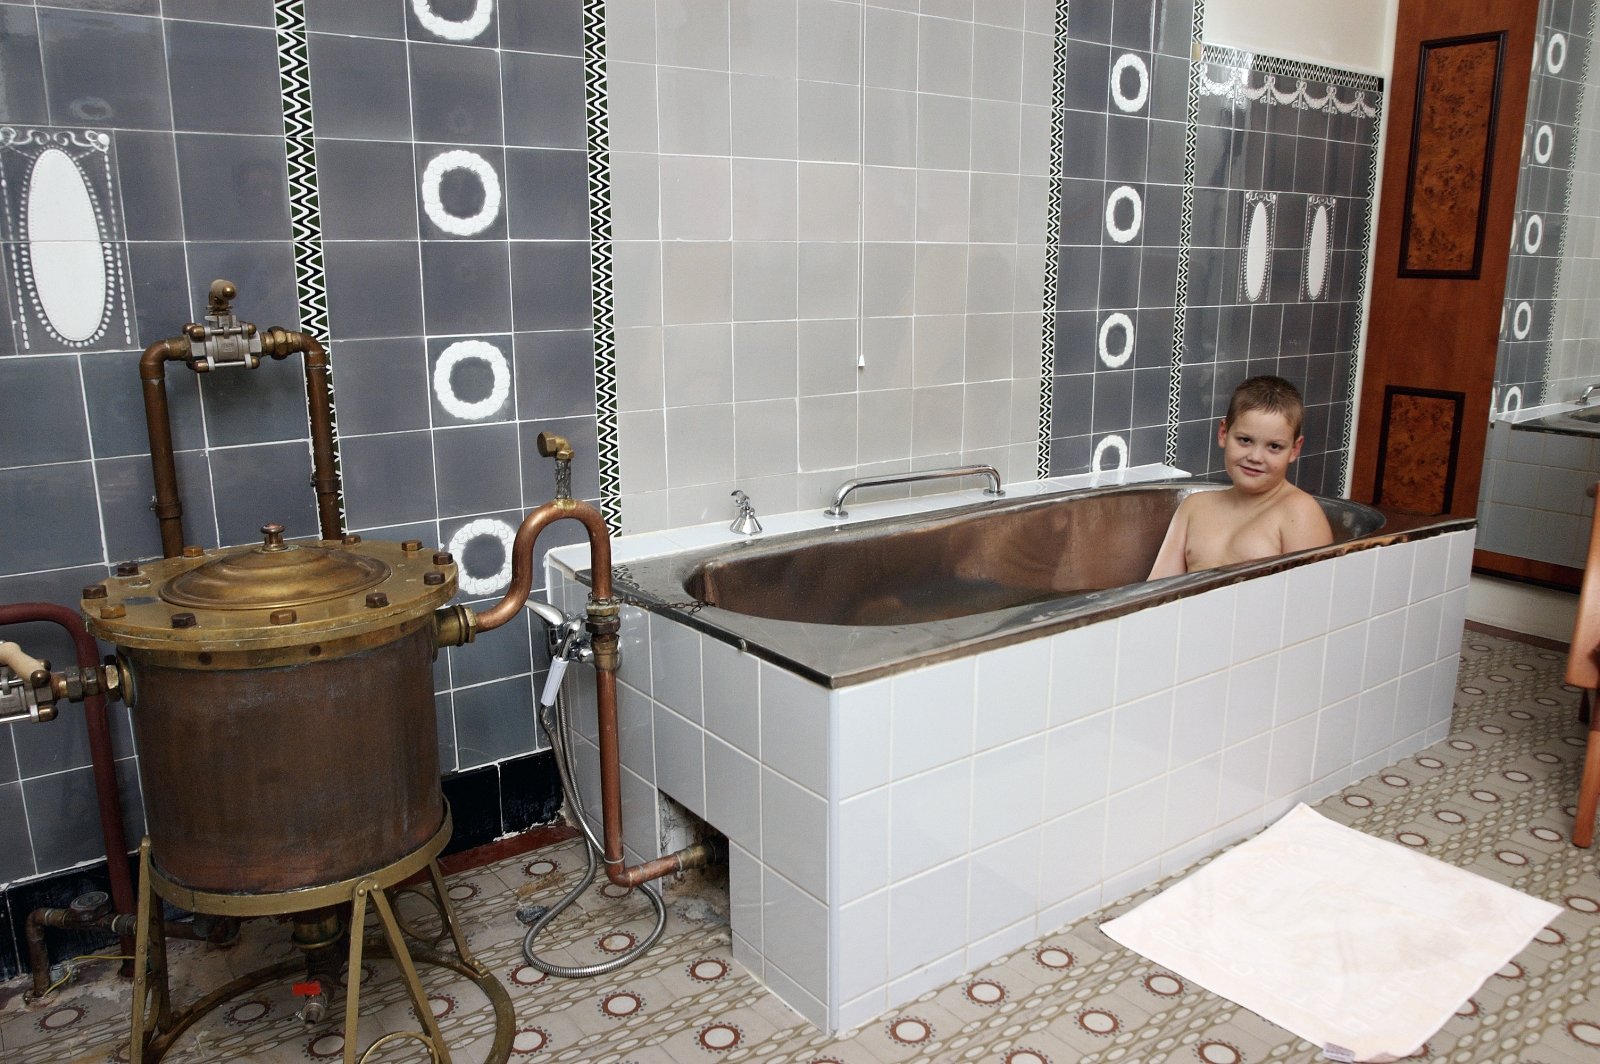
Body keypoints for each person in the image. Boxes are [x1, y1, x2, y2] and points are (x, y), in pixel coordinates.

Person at [1147, 375, 1334, 579]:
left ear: (1295, 449)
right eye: (1245, 440)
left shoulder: (1299, 512)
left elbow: (1312, 594)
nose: (1255, 457)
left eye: (1274, 446)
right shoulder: (1194, 507)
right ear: (1223, 433)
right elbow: (1157, 589)